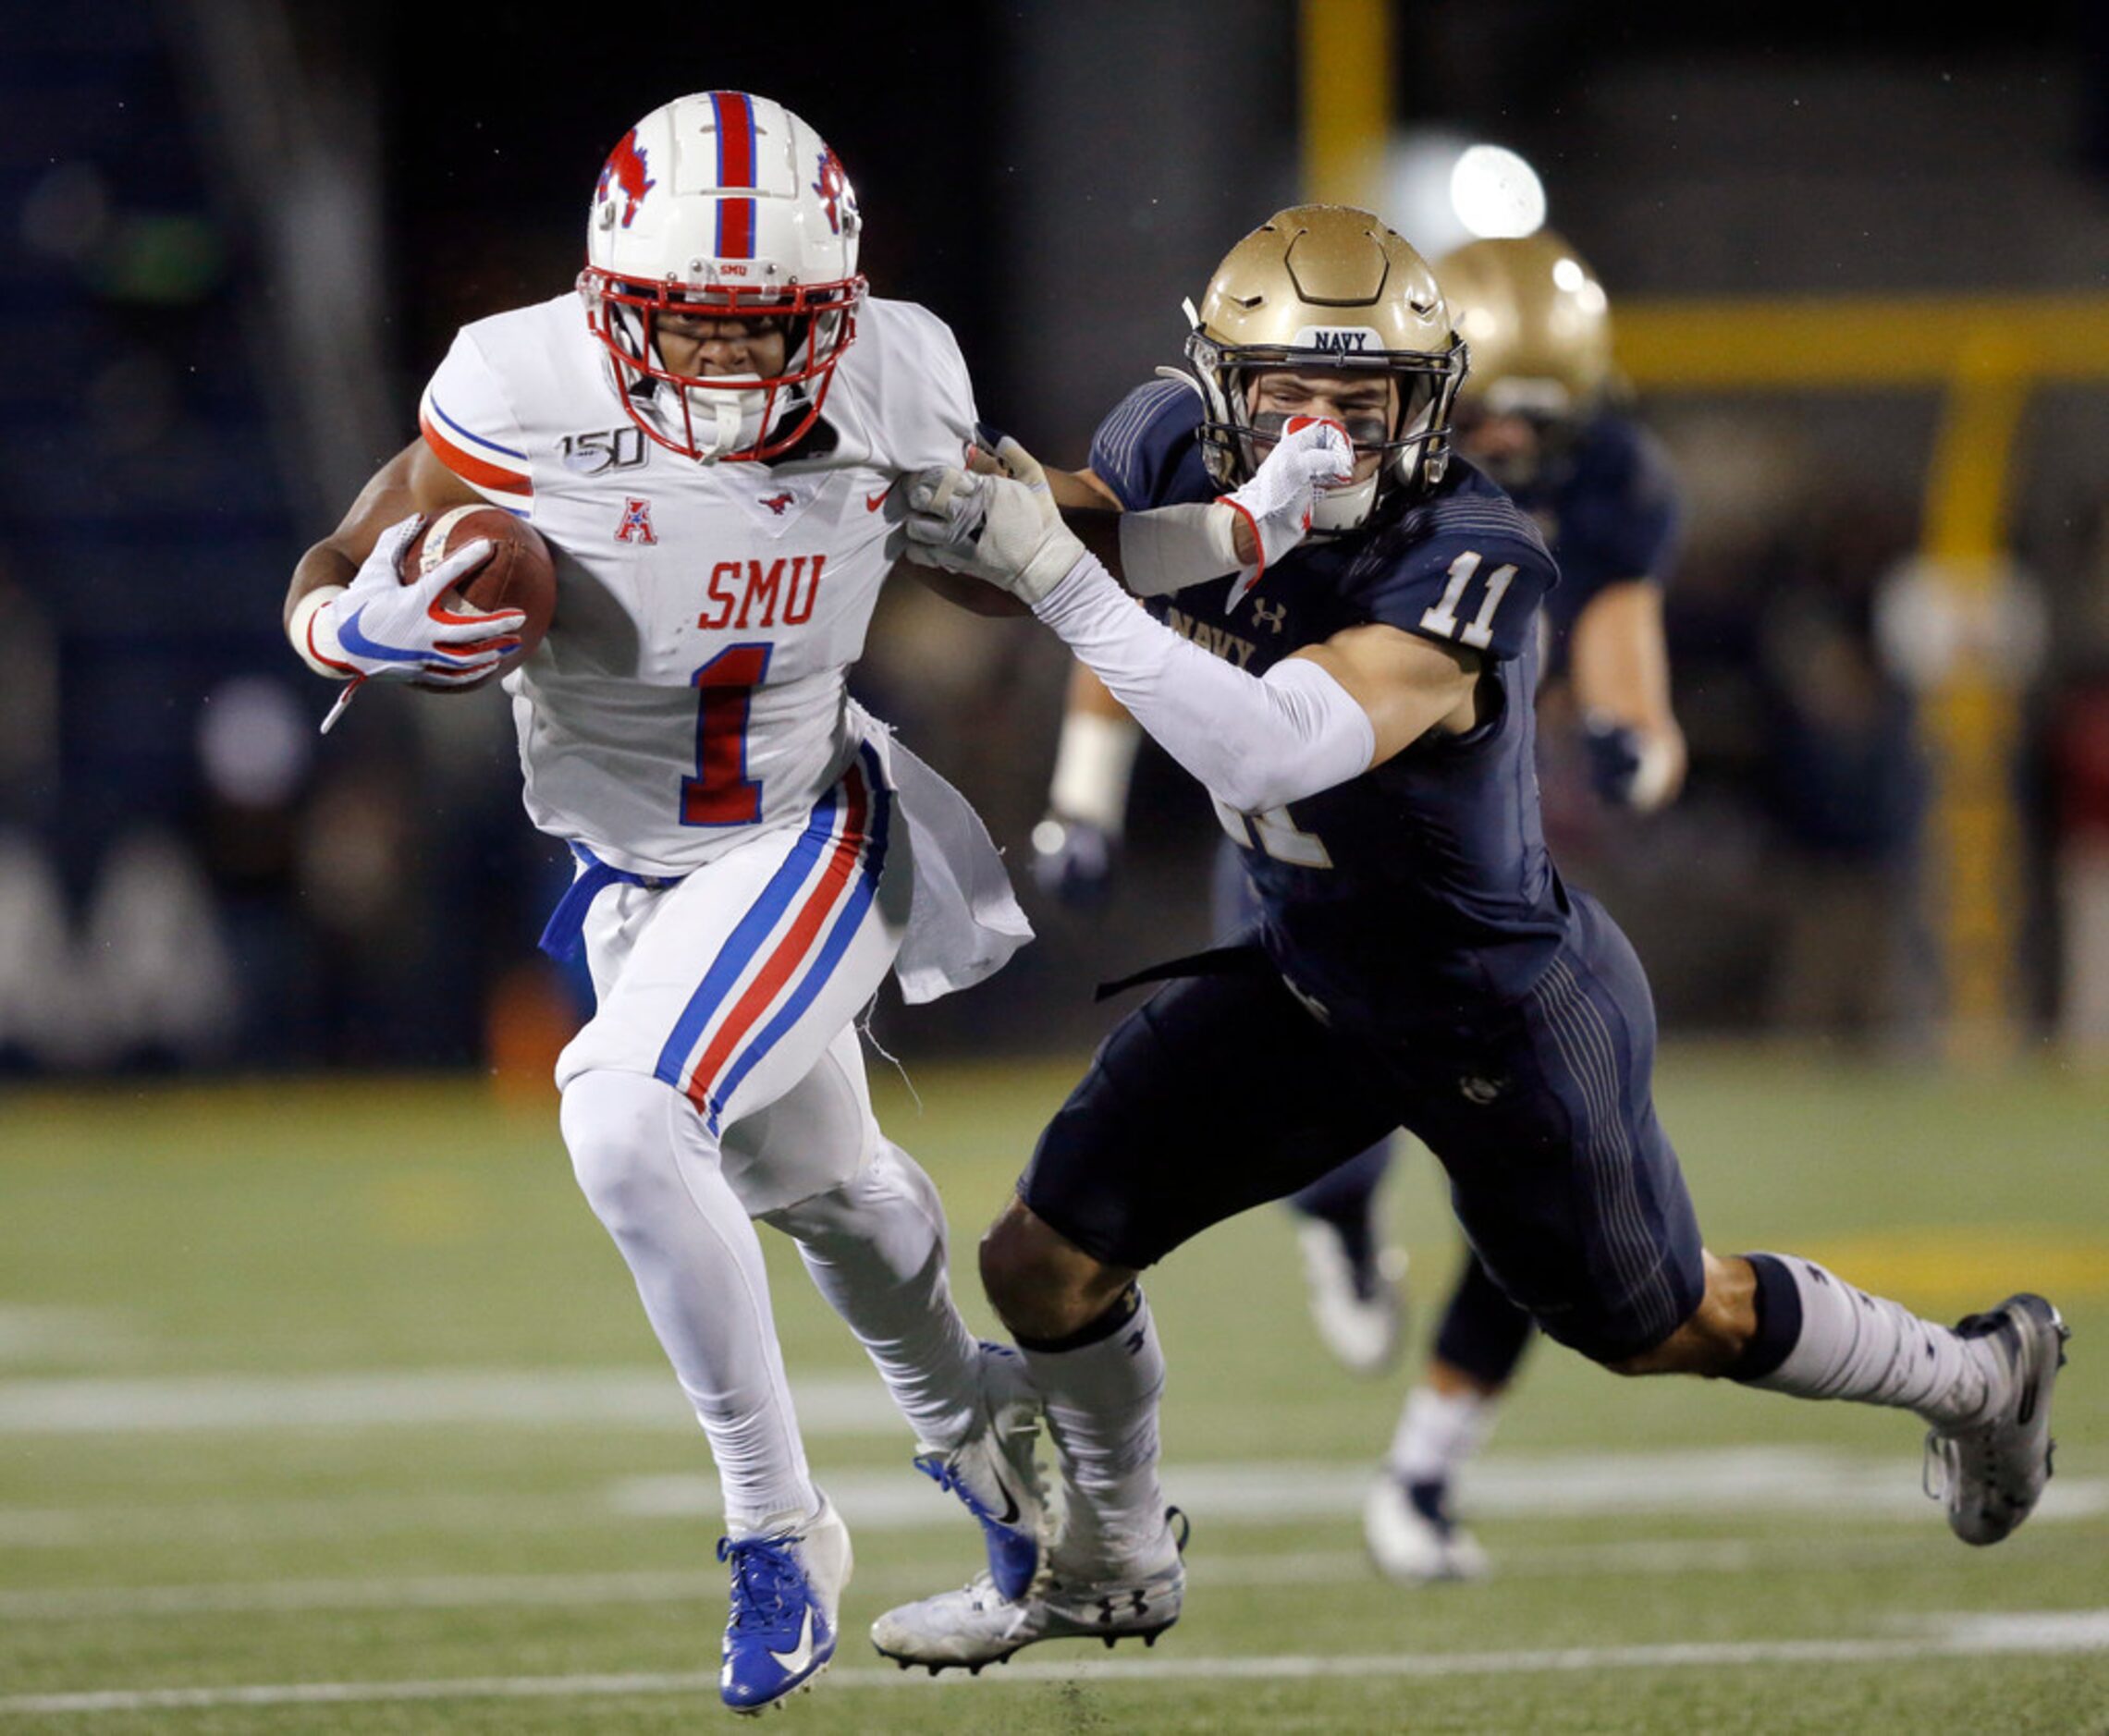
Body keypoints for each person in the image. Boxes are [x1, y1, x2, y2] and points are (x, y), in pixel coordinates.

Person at [868, 204, 2069, 1671]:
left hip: (1490, 1002)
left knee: (1656, 1320)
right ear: (1215, 389)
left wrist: (1056, 574)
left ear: (1426, 410)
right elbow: (1030, 535)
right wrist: (921, 494)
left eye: (1359, 405)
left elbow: (1267, 746)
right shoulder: (1173, 447)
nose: (1317, 434)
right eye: (1284, 400)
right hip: (1310, 981)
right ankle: (1110, 1557)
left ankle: (1974, 1372)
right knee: (1041, 1263)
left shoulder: (1469, 548)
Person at [280, 92, 1046, 1713]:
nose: (718, 369)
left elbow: (1007, 562)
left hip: (808, 830)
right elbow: (343, 550)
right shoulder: (514, 380)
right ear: (603, 302)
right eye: (681, 329)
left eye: (760, 333)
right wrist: (351, 634)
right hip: (627, 874)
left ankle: (777, 1522)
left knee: (624, 1115)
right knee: (825, 1188)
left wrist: (1089, 525)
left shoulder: (899, 371)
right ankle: (975, 1423)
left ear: (834, 313)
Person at [1027, 229, 1691, 1580]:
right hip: (1293, 836)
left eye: (1530, 417)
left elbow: (1631, 680)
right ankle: (1334, 1217)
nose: (1503, 439)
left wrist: (1635, 747)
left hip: (1467, 834)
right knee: (1281, 1133)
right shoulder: (1215, 456)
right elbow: (1138, 608)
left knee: (1539, 1194)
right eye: (1487, 406)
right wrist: (1081, 791)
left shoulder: (1527, 514)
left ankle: (1426, 1472)